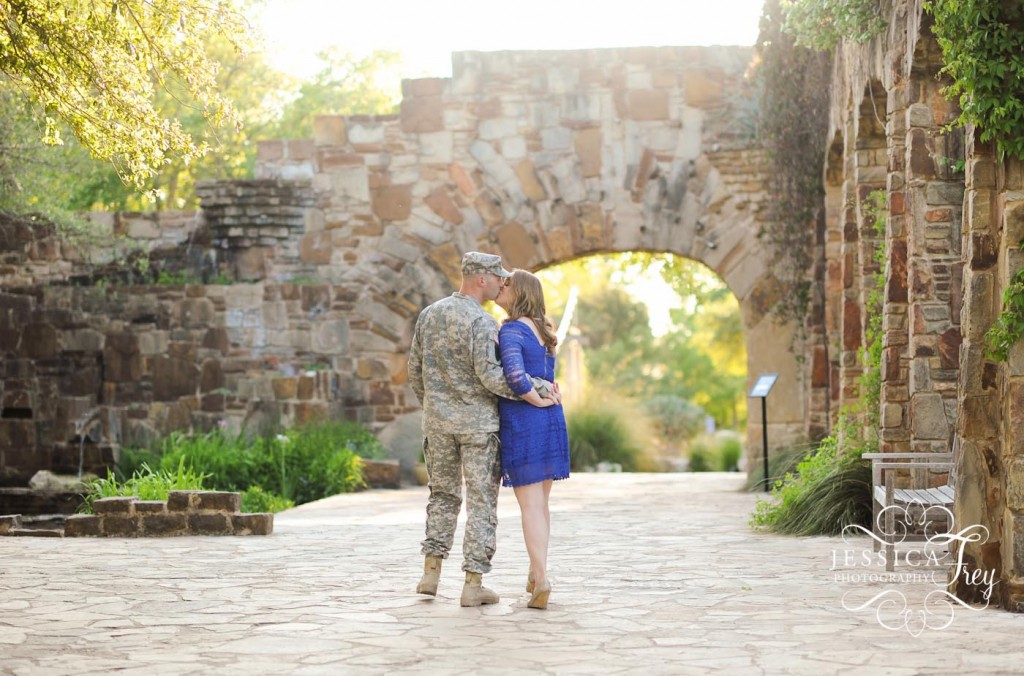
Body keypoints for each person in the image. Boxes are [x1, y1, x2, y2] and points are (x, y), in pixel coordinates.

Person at [408, 252, 557, 607]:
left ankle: (431, 573)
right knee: (481, 503)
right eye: (497, 278)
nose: (501, 284)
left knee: (442, 496)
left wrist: (432, 406)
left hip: (438, 424)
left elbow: (414, 369)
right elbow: (492, 377)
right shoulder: (483, 322)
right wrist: (538, 388)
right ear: (481, 279)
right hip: (478, 427)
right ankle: (472, 584)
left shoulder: (430, 314)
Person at [494, 269, 570, 610]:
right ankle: (534, 569)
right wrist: (546, 398)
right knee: (541, 503)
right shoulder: (544, 331)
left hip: (526, 420)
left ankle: (541, 579)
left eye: (506, 284)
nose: (500, 287)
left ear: (519, 291)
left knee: (530, 506)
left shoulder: (510, 330)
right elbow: (547, 377)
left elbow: (514, 376)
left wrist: (535, 398)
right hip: (551, 420)